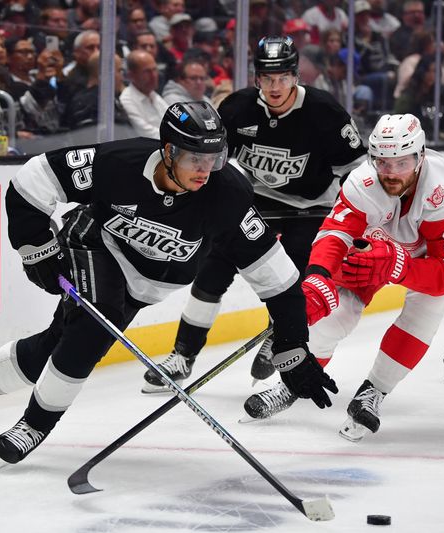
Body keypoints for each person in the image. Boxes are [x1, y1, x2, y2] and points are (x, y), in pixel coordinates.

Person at [0, 101, 338, 464]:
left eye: (213, 159)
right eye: (195, 158)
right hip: (94, 245)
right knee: (93, 327)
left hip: (146, 285)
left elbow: (277, 278)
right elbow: (32, 180)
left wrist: (293, 348)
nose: (205, 170)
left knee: (56, 345)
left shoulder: (227, 195)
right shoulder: (119, 163)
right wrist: (38, 249)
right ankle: (34, 425)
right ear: (168, 150)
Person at [139, 36, 367, 394]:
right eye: (266, 78)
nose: (274, 87)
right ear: (257, 78)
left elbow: (357, 170)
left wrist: (354, 219)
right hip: (252, 205)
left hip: (308, 210)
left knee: (289, 280)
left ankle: (280, 335)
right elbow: (210, 161)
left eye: (282, 78)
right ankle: (182, 355)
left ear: (296, 77)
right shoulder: (236, 108)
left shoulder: (325, 111)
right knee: (210, 273)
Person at [243, 114, 444, 440]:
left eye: (402, 162)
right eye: (383, 162)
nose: (392, 173)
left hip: (432, 258)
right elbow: (336, 232)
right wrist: (317, 276)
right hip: (377, 242)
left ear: (420, 155)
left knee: (422, 317)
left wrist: (400, 267)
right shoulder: (362, 182)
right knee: (333, 316)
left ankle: (375, 393)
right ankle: (291, 384)